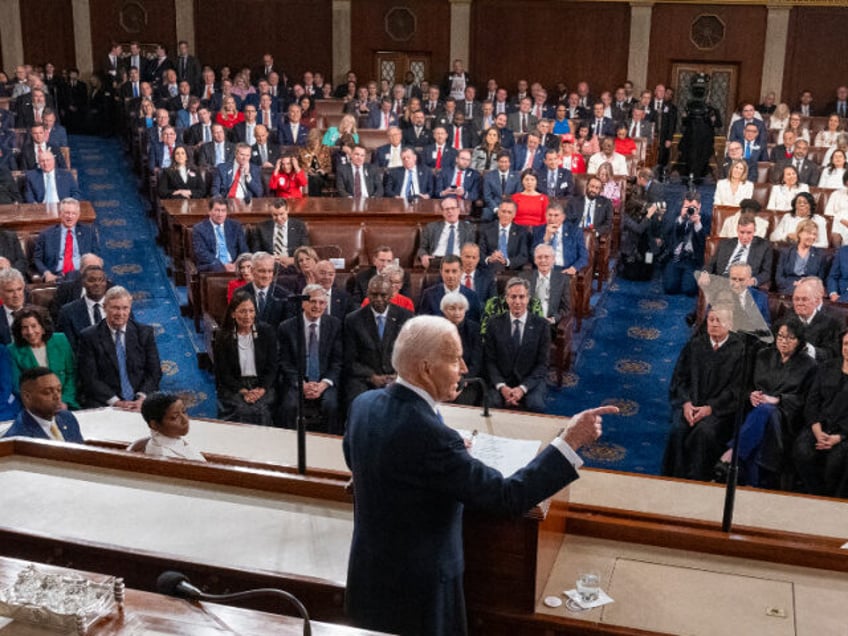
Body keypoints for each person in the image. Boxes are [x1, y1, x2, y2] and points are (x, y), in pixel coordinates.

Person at [344, 313, 613, 635]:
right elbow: (507, 497)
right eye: (455, 359)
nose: (465, 368)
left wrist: (444, 461)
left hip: (368, 579)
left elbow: (356, 458)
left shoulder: (364, 405)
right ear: (426, 368)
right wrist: (569, 442)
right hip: (419, 597)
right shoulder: (433, 438)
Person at [714, 318, 816, 488]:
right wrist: (751, 395)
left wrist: (778, 400)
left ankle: (732, 453)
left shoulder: (808, 365)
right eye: (781, 336)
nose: (784, 341)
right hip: (755, 414)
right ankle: (752, 484)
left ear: (799, 341)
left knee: (767, 410)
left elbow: (806, 399)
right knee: (762, 416)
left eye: (790, 338)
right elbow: (745, 385)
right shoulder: (763, 355)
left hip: (786, 418)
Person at [663, 307, 745, 481]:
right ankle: (674, 480)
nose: (714, 324)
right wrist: (686, 403)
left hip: (719, 412)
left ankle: (698, 481)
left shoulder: (740, 351)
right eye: (711, 320)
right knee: (678, 429)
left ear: (729, 324)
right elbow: (680, 379)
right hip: (691, 405)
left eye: (719, 321)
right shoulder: (695, 345)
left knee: (704, 433)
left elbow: (736, 390)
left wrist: (710, 408)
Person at [76, 286, 162, 410]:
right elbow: (90, 378)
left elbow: (154, 372)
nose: (120, 313)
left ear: (130, 308)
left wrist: (141, 398)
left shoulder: (144, 332)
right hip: (106, 401)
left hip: (141, 398)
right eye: (115, 308)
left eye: (125, 308)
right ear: (105, 308)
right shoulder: (89, 336)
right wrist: (117, 402)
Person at [277, 284, 343, 433]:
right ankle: (289, 448)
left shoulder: (335, 325)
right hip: (298, 380)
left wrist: (324, 384)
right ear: (303, 302)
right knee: (289, 407)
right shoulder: (287, 327)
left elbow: (337, 361)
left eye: (322, 302)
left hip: (324, 380)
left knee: (331, 406)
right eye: (313, 301)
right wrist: (302, 384)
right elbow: (285, 362)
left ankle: (327, 447)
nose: (317, 306)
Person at [792, 329, 848, 497]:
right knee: (802, 451)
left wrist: (840, 437)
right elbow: (812, 401)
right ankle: (815, 496)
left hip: (844, 433)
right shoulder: (827, 367)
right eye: (846, 344)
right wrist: (816, 429)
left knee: (835, 462)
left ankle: (831, 501)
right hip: (819, 426)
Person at [343, 274, 413, 404]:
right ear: (368, 294)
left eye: (383, 295)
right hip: (364, 378)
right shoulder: (353, 320)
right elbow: (350, 360)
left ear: (391, 294)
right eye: (374, 295)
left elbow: (411, 354)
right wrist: (371, 376)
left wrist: (398, 375)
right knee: (358, 401)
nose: (378, 299)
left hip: (397, 377)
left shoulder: (406, 317)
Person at [484, 277, 550, 412]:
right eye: (513, 297)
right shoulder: (493, 323)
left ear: (528, 298)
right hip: (502, 380)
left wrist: (523, 388)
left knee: (535, 405)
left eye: (522, 297)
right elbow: (489, 361)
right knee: (491, 404)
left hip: (530, 381)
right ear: (506, 299)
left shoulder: (542, 325)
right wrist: (502, 386)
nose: (517, 302)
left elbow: (542, 364)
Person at [213, 289, 277, 426]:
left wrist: (261, 389)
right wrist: (243, 391)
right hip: (234, 386)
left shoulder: (267, 332)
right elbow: (223, 373)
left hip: (262, 384)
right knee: (242, 410)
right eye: (242, 311)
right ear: (233, 314)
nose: (247, 316)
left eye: (251, 311)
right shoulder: (222, 337)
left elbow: (272, 367)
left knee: (261, 410)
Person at [8, 306, 78, 409]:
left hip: (65, 403)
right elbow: (18, 387)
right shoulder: (12, 351)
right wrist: (41, 404)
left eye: (34, 326)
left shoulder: (61, 340)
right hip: (35, 407)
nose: (30, 332)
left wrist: (64, 401)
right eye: (24, 327)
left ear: (43, 327)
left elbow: (71, 375)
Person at [2, 367, 80, 442]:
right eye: (48, 392)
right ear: (27, 397)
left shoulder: (67, 418)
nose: (57, 397)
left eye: (59, 390)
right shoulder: (18, 438)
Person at [33, 198, 99, 283]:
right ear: (60, 214)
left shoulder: (88, 232)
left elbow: (96, 255)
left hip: (82, 275)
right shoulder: (46, 234)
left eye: (74, 213)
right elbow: (37, 259)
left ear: (78, 215)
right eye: (67, 213)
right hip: (57, 276)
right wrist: (46, 273)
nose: (70, 216)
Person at [706, 212, 774, 288]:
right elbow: (710, 265)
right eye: (742, 232)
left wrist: (754, 280)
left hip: (743, 284)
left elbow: (766, 273)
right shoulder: (724, 244)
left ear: (754, 231)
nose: (745, 237)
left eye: (749, 233)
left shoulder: (764, 246)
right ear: (737, 230)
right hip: (721, 282)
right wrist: (705, 273)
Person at [133, 392, 206, 461]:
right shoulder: (164, 455)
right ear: (154, 425)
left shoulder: (174, 438)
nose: (185, 420)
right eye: (174, 417)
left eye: (184, 411)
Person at [440, 292, 482, 406]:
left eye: (461, 309)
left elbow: (476, 362)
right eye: (452, 309)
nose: (457, 313)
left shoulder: (474, 329)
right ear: (444, 311)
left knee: (463, 402)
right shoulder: (436, 328)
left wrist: (462, 379)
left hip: (467, 380)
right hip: (441, 379)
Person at [789, 277, 842, 362]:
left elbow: (834, 353)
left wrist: (807, 349)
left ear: (819, 295)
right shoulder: (791, 313)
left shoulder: (835, 319)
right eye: (797, 299)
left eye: (805, 299)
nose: (800, 303)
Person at [520, 244, 572, 332]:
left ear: (553, 260)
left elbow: (566, 308)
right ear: (535, 260)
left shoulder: (562, 280)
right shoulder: (524, 277)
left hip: (549, 324)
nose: (543, 260)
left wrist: (553, 319)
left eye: (547, 257)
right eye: (539, 257)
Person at [662, 192, 705, 296]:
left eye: (693, 207)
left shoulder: (706, 219)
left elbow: (704, 243)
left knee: (689, 290)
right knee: (669, 288)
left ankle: (685, 278)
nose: (690, 210)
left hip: (692, 259)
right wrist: (681, 218)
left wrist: (697, 224)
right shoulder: (677, 215)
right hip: (676, 257)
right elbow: (667, 233)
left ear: (699, 206)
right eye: (687, 207)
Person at [191, 197, 249, 273]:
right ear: (209, 211)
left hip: (234, 265)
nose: (220, 214)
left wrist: (237, 264)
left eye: (223, 211)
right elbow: (201, 253)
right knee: (215, 267)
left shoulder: (235, 226)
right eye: (217, 210)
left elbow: (243, 249)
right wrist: (222, 265)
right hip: (212, 266)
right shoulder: (199, 229)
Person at [418, 255, 483, 323]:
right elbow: (423, 324)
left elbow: (475, 325)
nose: (450, 275)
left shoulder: (472, 296)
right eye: (447, 271)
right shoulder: (429, 295)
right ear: (441, 272)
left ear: (461, 272)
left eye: (454, 271)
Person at [417, 197, 476, 269]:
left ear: (458, 210)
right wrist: (423, 256)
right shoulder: (431, 227)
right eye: (447, 209)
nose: (450, 211)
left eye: (453, 208)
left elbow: (473, 249)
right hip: (437, 261)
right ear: (442, 212)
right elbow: (422, 248)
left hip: (459, 262)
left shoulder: (469, 228)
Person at [249, 198, 309, 269]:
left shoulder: (299, 226)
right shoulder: (261, 228)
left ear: (287, 210)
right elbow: (256, 253)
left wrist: (292, 260)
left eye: (281, 214)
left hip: (292, 265)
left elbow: (305, 250)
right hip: (269, 267)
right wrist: (269, 260)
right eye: (275, 215)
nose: (279, 218)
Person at [478, 199, 530, 273]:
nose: (505, 215)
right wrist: (489, 259)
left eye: (509, 212)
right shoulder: (486, 229)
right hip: (489, 268)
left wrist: (506, 261)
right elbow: (480, 252)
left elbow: (523, 256)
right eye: (503, 211)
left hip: (512, 270)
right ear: (498, 212)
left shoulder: (521, 231)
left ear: (514, 215)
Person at [775, 219, 827, 293]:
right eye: (808, 233)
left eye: (814, 234)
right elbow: (779, 279)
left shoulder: (820, 255)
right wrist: (793, 284)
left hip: (810, 290)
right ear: (799, 233)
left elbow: (820, 280)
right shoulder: (786, 252)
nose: (812, 237)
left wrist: (806, 285)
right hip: (788, 288)